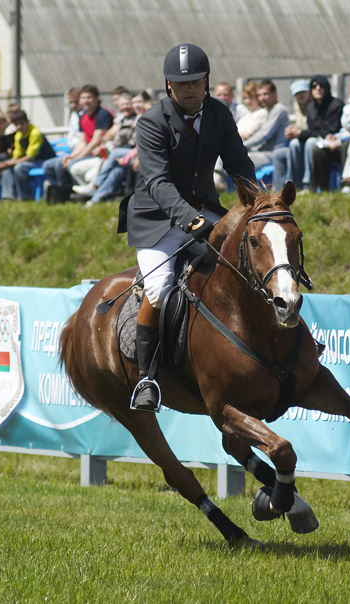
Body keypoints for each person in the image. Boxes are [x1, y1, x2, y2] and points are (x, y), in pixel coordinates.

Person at [119, 43, 255, 412]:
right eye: (182, 84)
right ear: (168, 87)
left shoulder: (218, 114)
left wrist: (257, 202)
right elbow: (158, 183)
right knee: (161, 287)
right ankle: (147, 378)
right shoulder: (151, 121)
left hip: (205, 212)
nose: (190, 88)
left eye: (196, 81)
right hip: (158, 220)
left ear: (206, 81)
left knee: (253, 262)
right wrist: (190, 219)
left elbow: (239, 162)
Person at [41, 84, 113, 199]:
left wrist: (75, 158)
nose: (86, 101)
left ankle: (68, 194)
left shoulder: (102, 114)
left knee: (70, 166)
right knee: (51, 165)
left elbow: (95, 141)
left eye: (89, 98)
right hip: (89, 152)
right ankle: (68, 193)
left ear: (96, 99)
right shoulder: (83, 116)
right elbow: (83, 142)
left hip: (101, 154)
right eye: (83, 98)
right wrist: (71, 156)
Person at [298, 75, 344, 193]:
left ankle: (310, 184)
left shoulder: (336, 105)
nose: (318, 89)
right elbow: (313, 130)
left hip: (334, 142)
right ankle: (295, 184)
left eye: (322, 86)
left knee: (311, 143)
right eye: (314, 86)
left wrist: (302, 133)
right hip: (319, 140)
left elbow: (332, 129)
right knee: (294, 144)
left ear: (327, 88)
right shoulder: (311, 108)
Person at [271, 79, 312, 188]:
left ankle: (294, 184)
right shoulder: (298, 108)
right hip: (300, 141)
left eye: (303, 92)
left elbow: (313, 130)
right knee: (278, 153)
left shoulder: (313, 107)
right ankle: (278, 191)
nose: (300, 96)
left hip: (310, 143)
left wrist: (298, 133)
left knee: (294, 145)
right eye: (297, 94)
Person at [243, 79, 289, 173]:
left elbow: (264, 134)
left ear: (274, 94)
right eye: (259, 95)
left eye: (265, 94)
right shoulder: (268, 111)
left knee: (238, 158)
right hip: (262, 152)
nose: (262, 98)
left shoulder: (279, 110)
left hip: (272, 154)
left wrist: (243, 145)